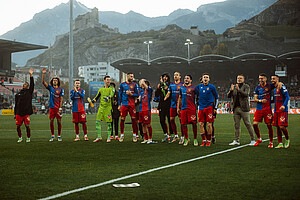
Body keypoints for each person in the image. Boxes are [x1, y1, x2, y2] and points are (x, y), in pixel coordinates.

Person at [227, 74, 255, 146]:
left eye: (240, 78)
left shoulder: (246, 86)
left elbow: (246, 94)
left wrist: (238, 90)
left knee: (248, 124)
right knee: (237, 125)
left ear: (243, 79)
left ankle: (253, 140)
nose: (239, 79)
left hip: (244, 109)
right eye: (238, 78)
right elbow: (228, 96)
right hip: (236, 109)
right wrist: (231, 90)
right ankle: (236, 140)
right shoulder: (234, 86)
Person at [253, 73, 276, 148]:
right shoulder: (257, 88)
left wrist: (280, 83)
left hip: (267, 109)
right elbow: (255, 99)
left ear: (265, 79)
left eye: (262, 78)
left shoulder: (269, 86)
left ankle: (271, 142)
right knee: (254, 124)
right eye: (259, 78)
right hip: (259, 109)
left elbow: (277, 84)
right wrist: (260, 101)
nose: (260, 80)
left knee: (269, 125)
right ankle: (259, 138)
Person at [196, 73, 219, 147]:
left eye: (207, 77)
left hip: (209, 107)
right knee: (200, 124)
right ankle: (203, 140)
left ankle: (209, 140)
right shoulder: (199, 87)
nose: (205, 78)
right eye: (204, 77)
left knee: (209, 124)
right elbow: (192, 91)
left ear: (209, 79)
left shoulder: (212, 87)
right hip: (201, 107)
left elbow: (217, 97)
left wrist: (215, 108)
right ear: (202, 79)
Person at [42, 68, 64, 142]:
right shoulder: (50, 88)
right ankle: (52, 135)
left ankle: (59, 136)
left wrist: (60, 108)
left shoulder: (61, 89)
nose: (55, 81)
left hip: (58, 108)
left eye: (56, 80)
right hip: (52, 107)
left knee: (59, 122)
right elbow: (43, 82)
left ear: (58, 82)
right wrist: (44, 74)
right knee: (51, 121)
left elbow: (61, 99)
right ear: (52, 82)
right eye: (54, 80)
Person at [92, 76, 115, 142]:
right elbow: (97, 97)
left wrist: (108, 97)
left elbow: (111, 95)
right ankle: (99, 137)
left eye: (109, 80)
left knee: (108, 123)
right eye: (107, 80)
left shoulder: (112, 89)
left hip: (108, 108)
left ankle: (108, 137)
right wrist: (92, 101)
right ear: (104, 80)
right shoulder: (101, 89)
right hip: (101, 108)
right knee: (97, 122)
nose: (108, 81)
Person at [177, 75, 198, 146]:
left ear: (191, 80)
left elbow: (198, 96)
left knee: (194, 123)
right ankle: (186, 138)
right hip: (183, 108)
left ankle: (195, 139)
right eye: (185, 78)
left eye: (188, 78)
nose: (186, 79)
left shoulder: (194, 88)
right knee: (183, 124)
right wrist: (178, 108)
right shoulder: (181, 88)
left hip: (192, 109)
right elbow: (179, 98)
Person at [118, 72, 139, 142]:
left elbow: (137, 94)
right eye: (131, 76)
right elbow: (120, 95)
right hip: (124, 104)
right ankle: (121, 135)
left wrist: (131, 94)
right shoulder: (122, 85)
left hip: (132, 104)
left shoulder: (134, 85)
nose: (132, 78)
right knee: (122, 119)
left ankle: (134, 135)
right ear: (127, 76)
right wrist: (119, 104)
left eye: (132, 77)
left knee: (134, 119)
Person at [14, 68, 34, 143]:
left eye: (25, 84)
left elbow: (32, 84)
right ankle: (20, 137)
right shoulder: (18, 94)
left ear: (28, 86)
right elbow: (16, 104)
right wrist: (15, 113)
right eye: (23, 84)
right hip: (19, 112)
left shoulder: (29, 92)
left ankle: (28, 137)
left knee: (27, 125)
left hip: (26, 112)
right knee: (18, 126)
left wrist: (31, 75)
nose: (24, 85)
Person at [164, 72, 184, 144]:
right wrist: (166, 97)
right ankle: (176, 135)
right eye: (174, 75)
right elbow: (169, 92)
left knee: (181, 121)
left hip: (180, 106)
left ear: (180, 76)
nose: (175, 76)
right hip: (173, 105)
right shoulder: (171, 85)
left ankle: (182, 137)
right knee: (171, 119)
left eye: (177, 75)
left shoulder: (182, 85)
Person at [271, 75, 290, 148]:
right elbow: (274, 100)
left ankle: (287, 139)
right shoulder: (275, 89)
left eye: (274, 79)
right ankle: (280, 143)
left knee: (282, 126)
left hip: (283, 110)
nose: (272, 80)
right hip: (276, 111)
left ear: (277, 79)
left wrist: (284, 105)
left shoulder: (282, 86)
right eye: (271, 79)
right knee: (277, 127)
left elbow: (287, 97)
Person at [155, 73, 173, 142]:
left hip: (169, 104)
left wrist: (167, 88)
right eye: (163, 77)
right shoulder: (160, 85)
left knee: (169, 120)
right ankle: (165, 134)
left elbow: (171, 93)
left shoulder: (170, 85)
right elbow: (157, 94)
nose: (165, 78)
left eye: (166, 77)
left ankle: (172, 135)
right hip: (162, 104)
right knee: (162, 120)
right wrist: (158, 88)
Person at [138, 79, 155, 144]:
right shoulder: (141, 92)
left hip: (146, 109)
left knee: (148, 124)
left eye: (144, 84)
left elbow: (146, 87)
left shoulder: (149, 90)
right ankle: (145, 138)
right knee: (143, 124)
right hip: (141, 109)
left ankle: (150, 138)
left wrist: (142, 81)